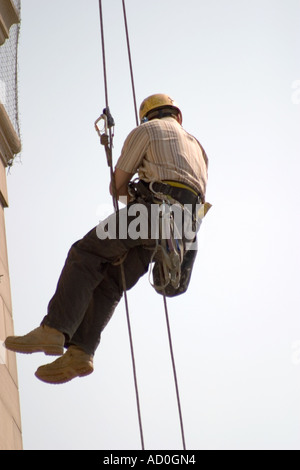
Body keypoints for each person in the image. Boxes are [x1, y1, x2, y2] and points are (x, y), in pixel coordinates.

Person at [5, 94, 209, 385]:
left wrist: (127, 188)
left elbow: (118, 187)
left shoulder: (146, 131)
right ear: (177, 116)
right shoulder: (199, 150)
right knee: (113, 280)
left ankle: (55, 329)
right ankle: (81, 350)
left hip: (152, 213)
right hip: (179, 230)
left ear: (148, 116)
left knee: (86, 253)